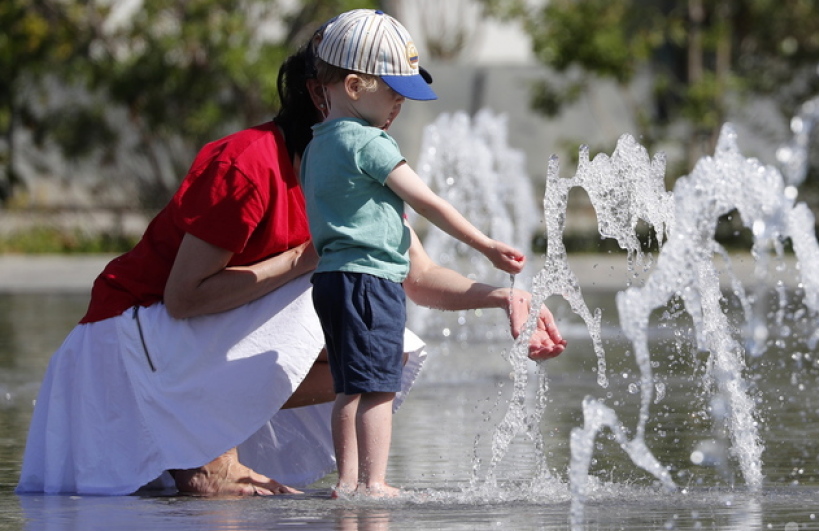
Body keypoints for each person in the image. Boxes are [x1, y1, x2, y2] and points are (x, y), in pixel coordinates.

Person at [14, 12, 566, 498]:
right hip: (121, 348)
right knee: (326, 286)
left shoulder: (362, 172)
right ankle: (206, 453)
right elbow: (182, 299)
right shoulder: (248, 164)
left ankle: (219, 445)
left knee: (383, 347)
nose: (397, 105)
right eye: (388, 88)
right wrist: (301, 260)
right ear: (334, 89)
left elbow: (416, 277)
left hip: (185, 352)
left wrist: (505, 297)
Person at [301, 10, 525, 498]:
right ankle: (374, 482)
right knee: (380, 384)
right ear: (355, 86)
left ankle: (346, 481)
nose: (400, 102)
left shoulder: (317, 146)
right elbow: (427, 201)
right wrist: (485, 245)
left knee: (348, 386)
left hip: (333, 279)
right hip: (370, 281)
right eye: (393, 90)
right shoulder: (370, 142)